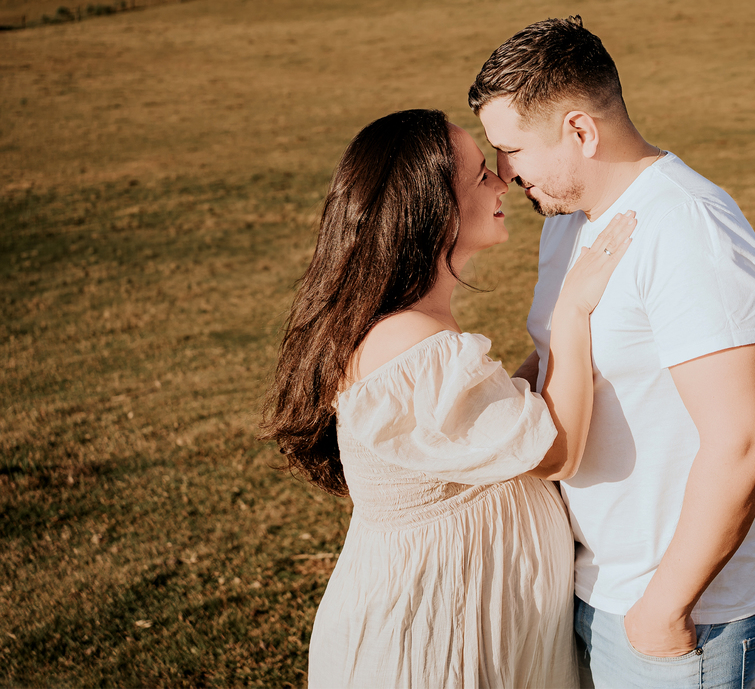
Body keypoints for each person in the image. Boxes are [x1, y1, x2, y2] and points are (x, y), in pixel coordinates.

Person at [261, 108, 635, 688]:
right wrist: (572, 311)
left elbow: (494, 424)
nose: (504, 180)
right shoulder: (408, 342)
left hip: (456, 624)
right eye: (481, 174)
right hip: (433, 639)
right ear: (433, 211)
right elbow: (555, 452)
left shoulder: (406, 328)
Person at [469, 16, 755, 689]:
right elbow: (556, 358)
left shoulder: (686, 227)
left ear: (580, 131)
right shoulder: (566, 221)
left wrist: (665, 608)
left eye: (512, 148)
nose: (503, 172)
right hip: (589, 580)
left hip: (676, 606)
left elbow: (743, 441)